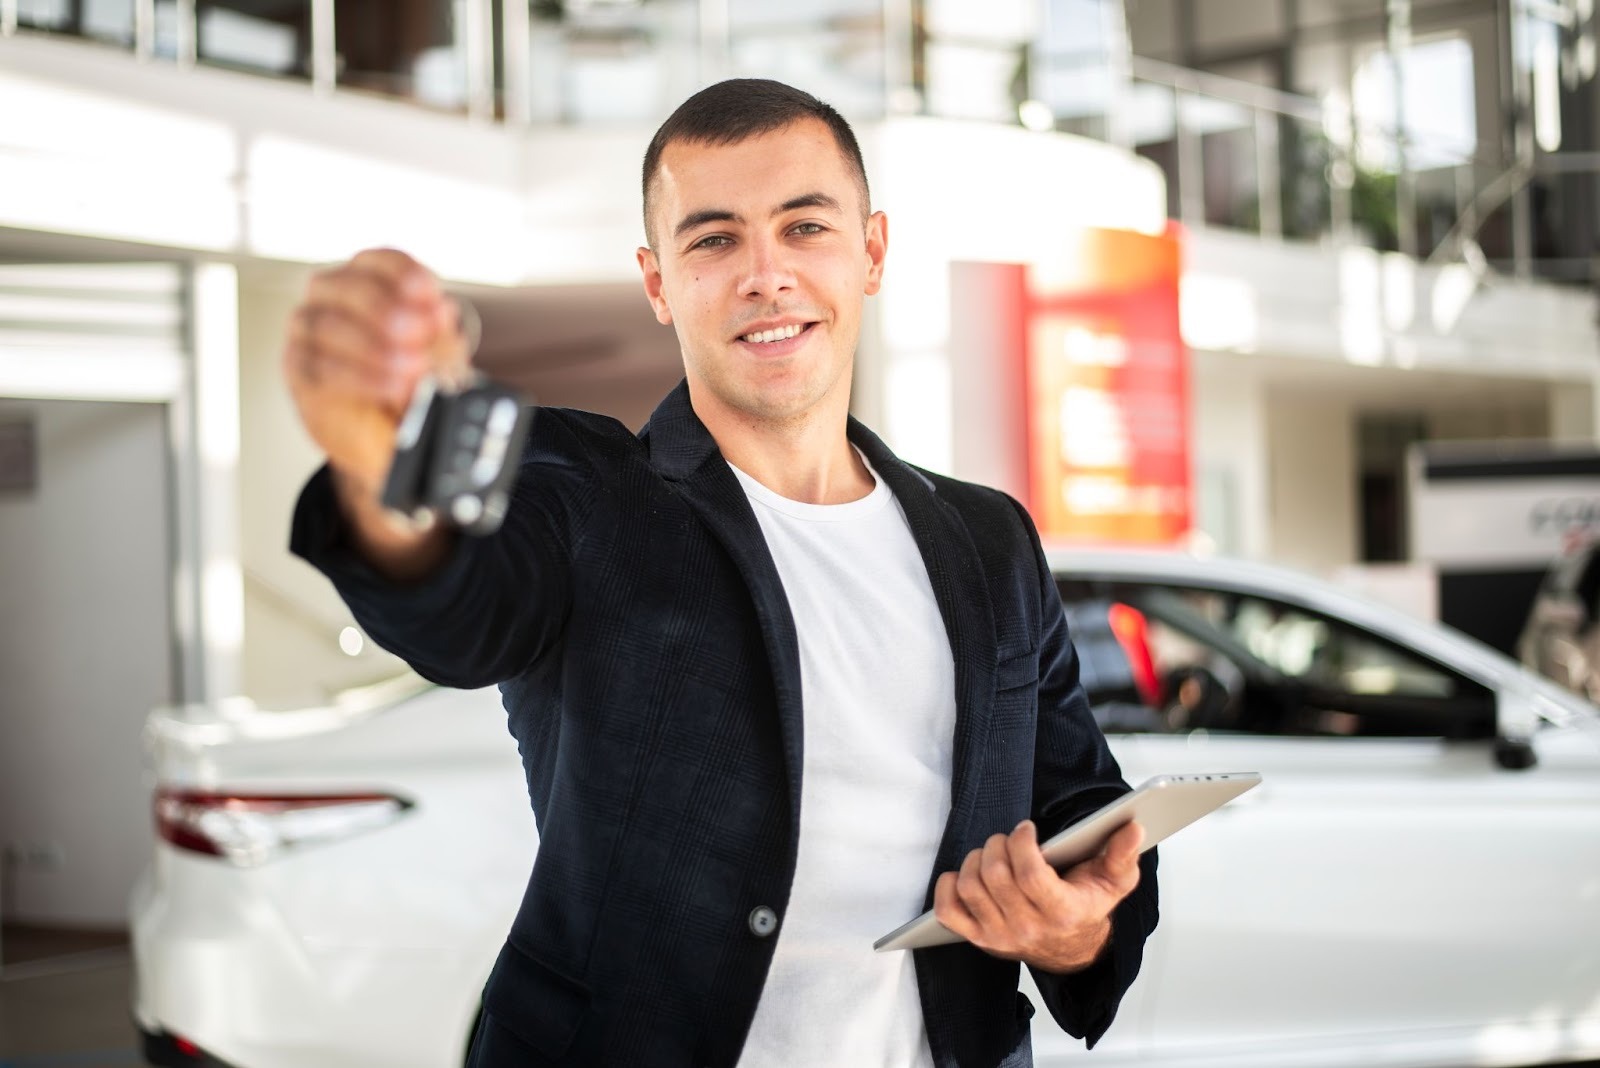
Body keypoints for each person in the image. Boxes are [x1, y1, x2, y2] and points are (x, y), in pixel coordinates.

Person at [283, 78, 1158, 1068]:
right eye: (713, 240)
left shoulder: (987, 538)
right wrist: (382, 480)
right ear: (657, 284)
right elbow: (460, 611)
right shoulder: (586, 490)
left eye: (804, 228)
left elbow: (1082, 804)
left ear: (870, 252)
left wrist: (1075, 928)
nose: (765, 275)